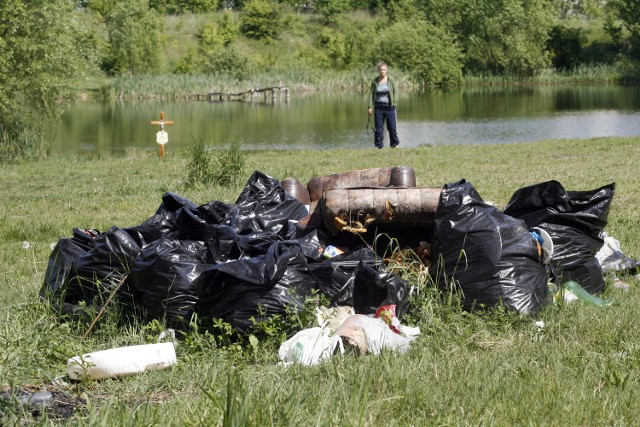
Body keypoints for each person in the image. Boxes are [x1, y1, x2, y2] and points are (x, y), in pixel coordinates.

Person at [368, 62, 400, 149]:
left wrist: (395, 103)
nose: (382, 71)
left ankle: (395, 144)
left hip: (390, 107)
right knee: (379, 128)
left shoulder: (391, 80)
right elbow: (371, 94)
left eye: (384, 69)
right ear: (378, 70)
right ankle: (378, 145)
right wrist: (370, 106)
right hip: (378, 107)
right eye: (380, 70)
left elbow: (395, 91)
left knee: (392, 127)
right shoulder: (375, 81)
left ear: (386, 70)